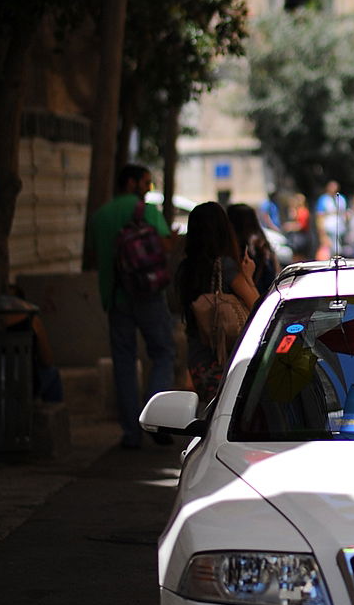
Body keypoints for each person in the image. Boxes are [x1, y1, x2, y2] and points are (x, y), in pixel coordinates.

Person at [90, 163, 178, 450]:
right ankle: (154, 416)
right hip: (149, 294)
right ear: (131, 183)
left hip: (115, 297)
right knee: (163, 353)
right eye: (146, 183)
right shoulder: (146, 211)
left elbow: (96, 254)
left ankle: (131, 433)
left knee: (124, 363)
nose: (148, 189)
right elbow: (164, 246)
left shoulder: (100, 216)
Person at [175, 202, 260, 405]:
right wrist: (248, 276)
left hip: (198, 360)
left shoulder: (185, 269)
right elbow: (257, 305)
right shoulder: (226, 267)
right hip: (226, 360)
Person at [226, 202, 279, 299]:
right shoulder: (262, 245)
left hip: (246, 303)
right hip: (264, 300)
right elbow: (270, 279)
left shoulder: (230, 251)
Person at [314, 179, 348, 260]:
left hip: (340, 232)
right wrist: (322, 234)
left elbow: (344, 214)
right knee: (326, 255)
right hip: (328, 232)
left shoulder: (341, 199)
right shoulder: (323, 199)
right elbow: (319, 216)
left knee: (338, 254)